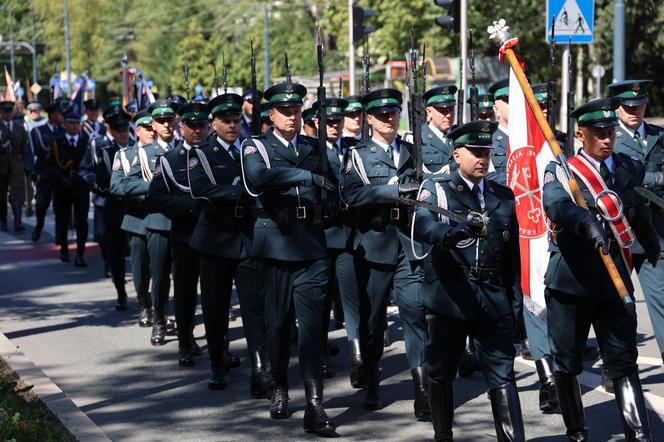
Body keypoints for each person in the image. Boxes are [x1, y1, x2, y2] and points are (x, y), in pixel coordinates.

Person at [543, 97, 660, 441]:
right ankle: (577, 432)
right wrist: (582, 220)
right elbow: (555, 204)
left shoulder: (626, 166)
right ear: (580, 133)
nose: (607, 139)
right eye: (598, 132)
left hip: (614, 282)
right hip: (572, 284)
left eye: (610, 131)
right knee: (567, 362)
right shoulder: (562, 170)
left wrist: (652, 248)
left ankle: (639, 436)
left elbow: (637, 208)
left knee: (624, 361)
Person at [414, 120, 525, 441]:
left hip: (492, 298)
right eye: (475, 152)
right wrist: (449, 234)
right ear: (456, 153)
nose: (482, 159)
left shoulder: (503, 196)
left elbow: (512, 256)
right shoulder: (437, 189)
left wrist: (515, 303)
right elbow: (423, 224)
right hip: (450, 296)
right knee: (441, 372)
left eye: (486, 152)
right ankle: (443, 435)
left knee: (503, 375)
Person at [241, 81, 336, 436]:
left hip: (311, 245)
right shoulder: (256, 147)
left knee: (312, 330)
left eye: (297, 111)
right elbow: (258, 180)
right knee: (278, 326)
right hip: (276, 248)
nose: (293, 117)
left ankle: (315, 406)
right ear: (271, 115)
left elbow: (335, 185)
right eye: (285, 111)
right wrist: (305, 175)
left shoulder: (316, 146)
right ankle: (280, 386)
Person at [341, 88, 430, 419]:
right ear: (369, 120)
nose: (389, 120)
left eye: (393, 113)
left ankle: (422, 390)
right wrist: (392, 191)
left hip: (408, 245)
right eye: (381, 116)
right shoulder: (357, 156)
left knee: (414, 313)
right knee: (373, 320)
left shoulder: (411, 151)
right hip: (375, 246)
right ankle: (374, 381)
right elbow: (351, 195)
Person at [187, 92, 272, 395]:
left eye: (237, 120)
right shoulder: (200, 153)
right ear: (214, 124)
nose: (234, 125)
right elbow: (200, 189)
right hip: (215, 239)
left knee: (254, 306)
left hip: (248, 237)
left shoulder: (251, 148)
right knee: (215, 307)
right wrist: (240, 192)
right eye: (227, 121)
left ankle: (260, 368)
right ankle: (217, 364)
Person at [147, 101, 207, 367]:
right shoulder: (169, 160)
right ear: (182, 128)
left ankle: (221, 345)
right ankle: (185, 340)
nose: (197, 130)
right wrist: (190, 207)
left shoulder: (219, 155)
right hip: (185, 235)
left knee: (216, 295)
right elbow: (156, 197)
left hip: (216, 236)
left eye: (202, 125)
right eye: (191, 126)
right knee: (184, 292)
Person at [608, 79, 664, 364]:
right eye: (628, 106)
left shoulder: (658, 135)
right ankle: (616, 364)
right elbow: (614, 180)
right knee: (619, 302)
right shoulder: (607, 137)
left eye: (639, 105)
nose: (634, 111)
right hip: (621, 233)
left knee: (661, 301)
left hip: (654, 232)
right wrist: (655, 179)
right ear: (617, 106)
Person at [312, 97, 364, 387]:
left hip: (346, 235)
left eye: (337, 121)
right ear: (317, 123)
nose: (334, 126)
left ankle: (357, 357)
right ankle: (319, 353)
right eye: (328, 121)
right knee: (320, 300)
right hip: (320, 236)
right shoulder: (309, 151)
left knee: (350, 297)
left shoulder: (354, 150)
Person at [121, 99, 175, 345]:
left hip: (188, 223)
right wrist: (155, 189)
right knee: (158, 275)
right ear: (152, 125)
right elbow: (124, 184)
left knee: (187, 279)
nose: (166, 125)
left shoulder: (187, 147)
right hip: (156, 221)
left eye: (170, 120)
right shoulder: (140, 153)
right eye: (160, 121)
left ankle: (185, 333)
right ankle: (158, 317)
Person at [80, 105, 131, 310]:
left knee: (133, 248)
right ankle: (121, 291)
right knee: (108, 243)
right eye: (119, 130)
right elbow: (84, 170)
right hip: (106, 204)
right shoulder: (96, 145)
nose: (123, 133)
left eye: (126, 129)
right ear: (108, 127)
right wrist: (96, 183)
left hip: (130, 203)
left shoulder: (134, 145)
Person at [110, 110, 155, 326]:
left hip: (165, 217)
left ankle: (160, 305)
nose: (152, 131)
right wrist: (150, 190)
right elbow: (116, 186)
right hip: (138, 218)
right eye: (147, 128)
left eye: (153, 126)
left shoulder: (166, 152)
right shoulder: (125, 156)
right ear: (137, 131)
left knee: (163, 268)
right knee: (139, 268)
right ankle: (144, 303)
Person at [51, 111, 90, 265]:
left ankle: (80, 253)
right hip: (63, 187)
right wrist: (59, 179)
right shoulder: (57, 141)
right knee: (63, 219)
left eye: (76, 123)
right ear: (65, 124)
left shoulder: (86, 140)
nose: (74, 127)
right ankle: (64, 249)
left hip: (81, 188)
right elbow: (51, 165)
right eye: (71, 123)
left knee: (82, 221)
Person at [31, 100, 65, 241]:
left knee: (60, 207)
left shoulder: (64, 132)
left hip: (60, 174)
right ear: (52, 115)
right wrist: (33, 173)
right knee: (41, 205)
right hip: (44, 174)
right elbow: (31, 153)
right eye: (59, 113)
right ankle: (39, 226)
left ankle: (59, 234)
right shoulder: (38, 131)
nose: (62, 116)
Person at [0, 100, 29, 232]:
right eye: (5, 112)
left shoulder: (19, 127)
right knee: (1, 195)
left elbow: (25, 148)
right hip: (1, 165)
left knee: (17, 194)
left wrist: (27, 165)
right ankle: (3, 221)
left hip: (16, 165)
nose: (7, 114)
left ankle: (18, 221)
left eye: (9, 112)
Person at [421, 84, 457, 176]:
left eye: (451, 109)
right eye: (443, 110)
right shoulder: (418, 138)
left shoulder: (460, 135)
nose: (448, 115)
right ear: (429, 112)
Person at [488, 79, 509, 184]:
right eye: (508, 101)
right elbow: (487, 177)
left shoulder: (533, 137)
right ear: (496, 108)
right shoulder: (488, 140)